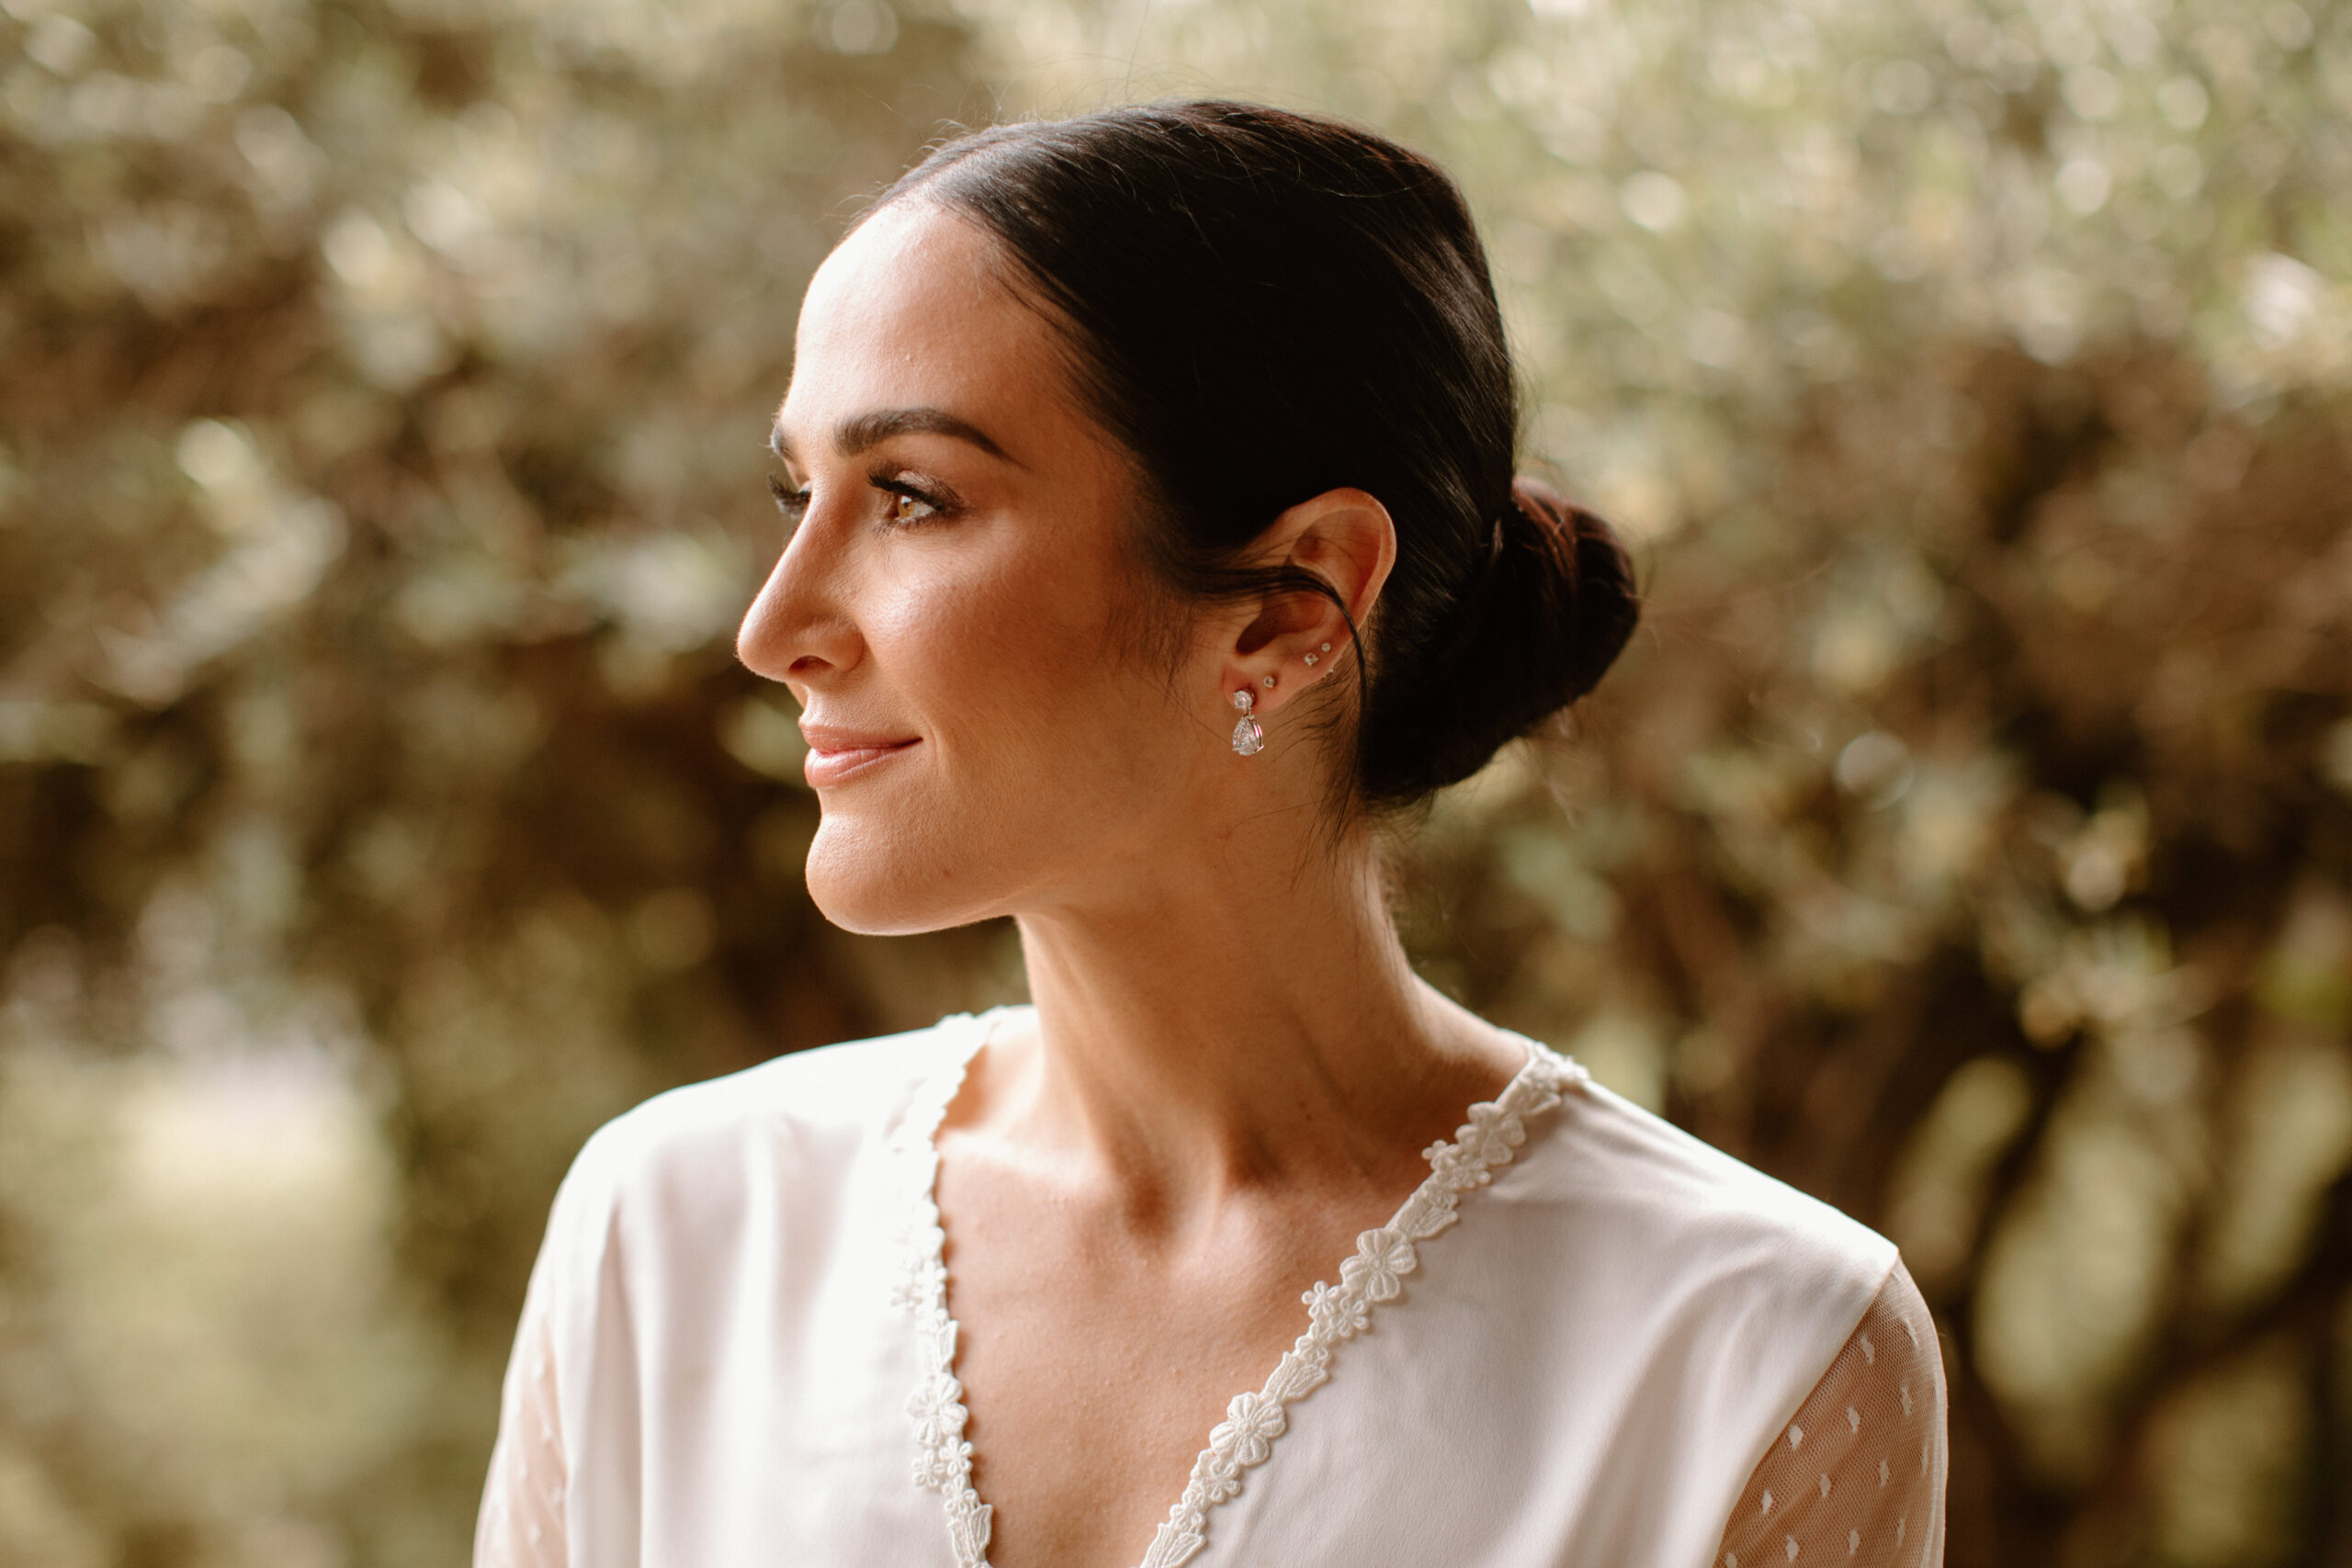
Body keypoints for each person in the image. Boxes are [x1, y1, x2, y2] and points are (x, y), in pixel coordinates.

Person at [474, 100, 1947, 1568]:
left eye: (912, 498)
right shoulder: (672, 1241)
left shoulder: (1758, 1354)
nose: (770, 627)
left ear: (1288, 606)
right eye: (802, 494)